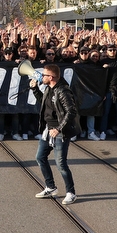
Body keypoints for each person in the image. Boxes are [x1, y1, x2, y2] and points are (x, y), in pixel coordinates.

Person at [30, 64, 78, 206]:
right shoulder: (48, 88)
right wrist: (34, 89)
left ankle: (71, 193)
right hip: (48, 130)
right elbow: (44, 103)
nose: (41, 77)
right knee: (40, 157)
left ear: (51, 77)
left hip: (60, 132)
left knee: (61, 163)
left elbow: (71, 111)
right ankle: (50, 187)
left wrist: (58, 128)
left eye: (44, 75)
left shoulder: (63, 90)